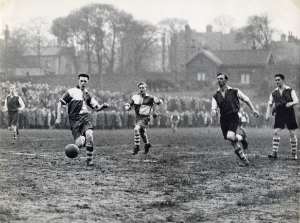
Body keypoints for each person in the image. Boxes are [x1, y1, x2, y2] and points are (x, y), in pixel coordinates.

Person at [55, 73, 109, 166]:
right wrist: (58, 117)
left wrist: (102, 106)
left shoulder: (87, 94)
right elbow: (60, 103)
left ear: (87, 82)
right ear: (78, 81)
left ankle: (89, 159)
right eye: (81, 81)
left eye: (85, 81)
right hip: (74, 120)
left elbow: (96, 108)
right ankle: (83, 140)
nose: (83, 83)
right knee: (79, 144)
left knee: (90, 135)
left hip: (85, 117)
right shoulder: (71, 91)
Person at [211, 73, 259, 166]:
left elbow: (246, 99)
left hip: (233, 116)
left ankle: (242, 138)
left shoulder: (234, 91)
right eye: (218, 79)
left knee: (230, 136)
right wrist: (213, 112)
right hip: (223, 119)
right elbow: (214, 107)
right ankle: (244, 159)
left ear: (226, 80)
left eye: (221, 78)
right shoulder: (215, 95)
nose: (219, 80)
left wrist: (253, 110)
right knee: (232, 140)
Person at [265, 73, 299, 160]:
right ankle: (274, 153)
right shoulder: (274, 92)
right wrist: (267, 114)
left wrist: (291, 103)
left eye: (278, 80)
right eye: (275, 80)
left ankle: (294, 154)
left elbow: (296, 100)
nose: (277, 82)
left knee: (292, 133)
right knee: (276, 132)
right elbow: (269, 104)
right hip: (279, 113)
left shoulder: (290, 90)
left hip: (289, 113)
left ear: (283, 80)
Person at [124, 82, 163, 155]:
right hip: (138, 117)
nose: (141, 89)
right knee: (142, 132)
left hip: (145, 117)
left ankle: (137, 147)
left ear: (146, 88)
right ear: (138, 89)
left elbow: (160, 102)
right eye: (140, 88)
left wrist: (155, 111)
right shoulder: (134, 97)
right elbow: (129, 104)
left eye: (143, 87)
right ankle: (147, 144)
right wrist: (127, 107)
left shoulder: (151, 97)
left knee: (136, 129)